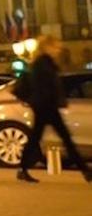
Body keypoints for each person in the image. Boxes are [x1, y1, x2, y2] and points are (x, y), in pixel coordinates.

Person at [15, 35, 91, 183]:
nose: (58, 49)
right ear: (46, 47)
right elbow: (44, 87)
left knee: (37, 138)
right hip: (45, 106)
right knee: (65, 138)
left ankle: (22, 169)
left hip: (45, 106)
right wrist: (53, 101)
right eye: (55, 46)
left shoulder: (45, 63)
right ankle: (85, 170)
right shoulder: (41, 64)